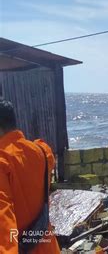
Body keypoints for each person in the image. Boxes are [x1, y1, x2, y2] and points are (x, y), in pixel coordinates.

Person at [0, 99, 60, 254]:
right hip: (49, 247)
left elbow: (4, 227)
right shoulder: (41, 150)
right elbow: (50, 158)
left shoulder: (2, 162)